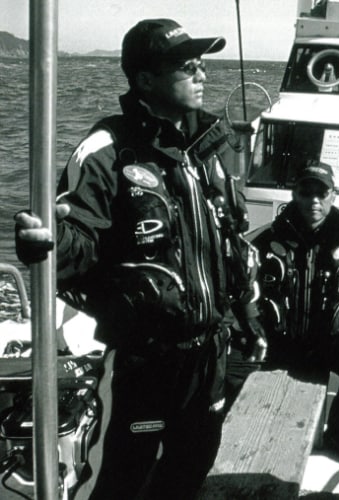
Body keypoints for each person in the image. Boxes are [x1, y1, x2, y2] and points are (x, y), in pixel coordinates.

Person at [14, 19, 265, 499]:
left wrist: (247, 314)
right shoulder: (107, 150)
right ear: (145, 79)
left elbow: (232, 240)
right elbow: (77, 242)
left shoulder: (209, 147)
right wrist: (45, 241)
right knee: (120, 481)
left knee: (190, 467)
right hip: (143, 365)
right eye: (186, 66)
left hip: (208, 356)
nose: (202, 73)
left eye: (201, 63)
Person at [239, 160, 339, 466]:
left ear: (333, 195)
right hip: (277, 343)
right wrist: (251, 325)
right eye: (306, 192)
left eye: (322, 193)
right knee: (232, 362)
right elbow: (240, 287)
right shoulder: (265, 239)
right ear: (295, 194)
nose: (314, 200)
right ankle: (233, 432)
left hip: (326, 342)